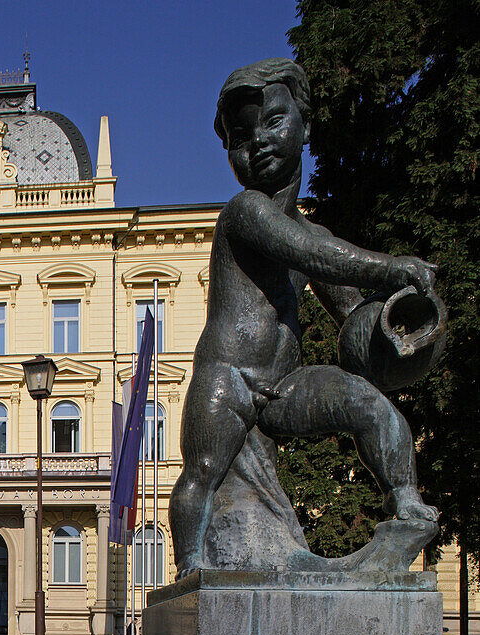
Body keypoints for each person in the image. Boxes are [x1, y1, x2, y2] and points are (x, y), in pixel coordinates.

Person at [170, 58, 439, 579]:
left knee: (366, 404)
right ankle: (191, 569)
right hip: (227, 377)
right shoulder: (245, 212)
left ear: (304, 125)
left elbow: (352, 313)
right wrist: (391, 269)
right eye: (240, 137)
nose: (258, 144)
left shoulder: (310, 233)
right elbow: (319, 257)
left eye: (273, 122)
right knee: (201, 472)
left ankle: (406, 503)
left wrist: (398, 330)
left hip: (283, 387)